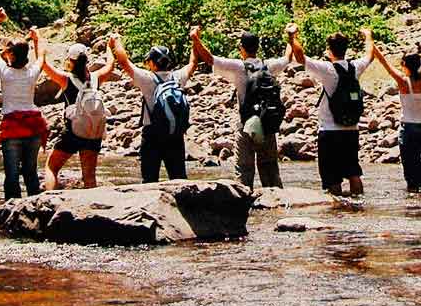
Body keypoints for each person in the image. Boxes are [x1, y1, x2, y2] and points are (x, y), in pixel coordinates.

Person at [189, 25, 287, 191]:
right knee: (270, 171)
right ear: (258, 47)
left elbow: (209, 58)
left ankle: (244, 210)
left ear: (241, 48)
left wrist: (195, 38)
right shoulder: (269, 66)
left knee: (243, 172)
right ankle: (277, 208)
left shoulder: (237, 67)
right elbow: (288, 57)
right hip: (267, 125)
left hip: (245, 127)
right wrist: (291, 37)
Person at [287, 21, 375, 196]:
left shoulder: (327, 69)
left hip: (330, 130)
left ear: (329, 50)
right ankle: (359, 207)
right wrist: (368, 36)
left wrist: (292, 36)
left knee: (332, 178)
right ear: (346, 49)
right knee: (353, 172)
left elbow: (300, 57)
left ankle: (337, 212)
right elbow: (370, 54)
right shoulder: (355, 67)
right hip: (351, 129)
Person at [372, 31, 421, 193]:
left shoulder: (403, 82)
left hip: (408, 129)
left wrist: (370, 43)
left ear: (405, 66)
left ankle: (413, 197)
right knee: (416, 161)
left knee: (409, 166)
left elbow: (384, 62)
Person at [110, 35, 197, 182]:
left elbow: (124, 62)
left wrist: (116, 40)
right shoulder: (178, 77)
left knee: (149, 180)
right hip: (175, 134)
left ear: (152, 63)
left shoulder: (146, 78)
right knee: (179, 179)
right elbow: (193, 62)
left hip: (152, 135)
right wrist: (195, 39)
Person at [0, 9, 48, 200]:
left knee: (11, 175)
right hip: (33, 128)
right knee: (31, 173)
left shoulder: (5, 72)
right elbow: (42, 56)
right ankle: (35, 208)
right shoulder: (32, 73)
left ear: (10, 55)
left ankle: (11, 210)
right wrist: (37, 38)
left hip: (12, 129)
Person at [41, 39, 119, 190]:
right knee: (89, 175)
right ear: (87, 60)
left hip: (73, 132)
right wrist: (110, 47)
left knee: (51, 167)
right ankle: (93, 209)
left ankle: (49, 201)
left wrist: (39, 45)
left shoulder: (65, 79)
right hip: (93, 132)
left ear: (70, 60)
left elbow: (44, 65)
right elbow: (110, 66)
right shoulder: (96, 78)